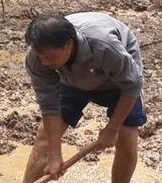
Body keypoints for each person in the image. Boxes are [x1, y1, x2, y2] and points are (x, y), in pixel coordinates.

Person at [21, 13, 146, 183]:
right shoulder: (37, 57)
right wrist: (54, 155)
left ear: (68, 44)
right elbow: (49, 104)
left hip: (117, 82)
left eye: (49, 57)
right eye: (41, 57)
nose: (44, 63)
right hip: (70, 79)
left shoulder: (105, 46)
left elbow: (132, 84)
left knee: (126, 138)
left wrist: (113, 128)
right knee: (45, 137)